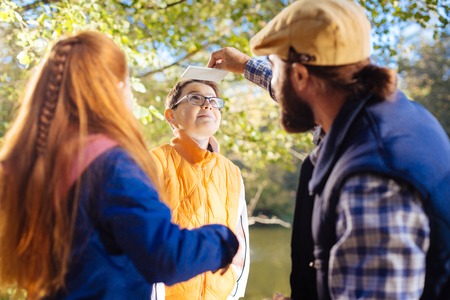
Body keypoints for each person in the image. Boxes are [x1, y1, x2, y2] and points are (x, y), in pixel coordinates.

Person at [207, 0, 450, 299]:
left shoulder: (372, 182)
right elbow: (296, 93)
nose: (274, 77)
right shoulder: (387, 113)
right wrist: (245, 65)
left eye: (275, 66)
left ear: (300, 77)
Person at [0, 31, 239, 300]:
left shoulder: (39, 158)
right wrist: (222, 240)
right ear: (114, 88)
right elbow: (163, 255)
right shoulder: (112, 164)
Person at [148, 79, 250, 300]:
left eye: (214, 101)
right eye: (195, 98)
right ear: (171, 116)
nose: (207, 105)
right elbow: (146, 242)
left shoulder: (231, 171)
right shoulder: (153, 162)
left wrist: (232, 292)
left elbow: (240, 238)